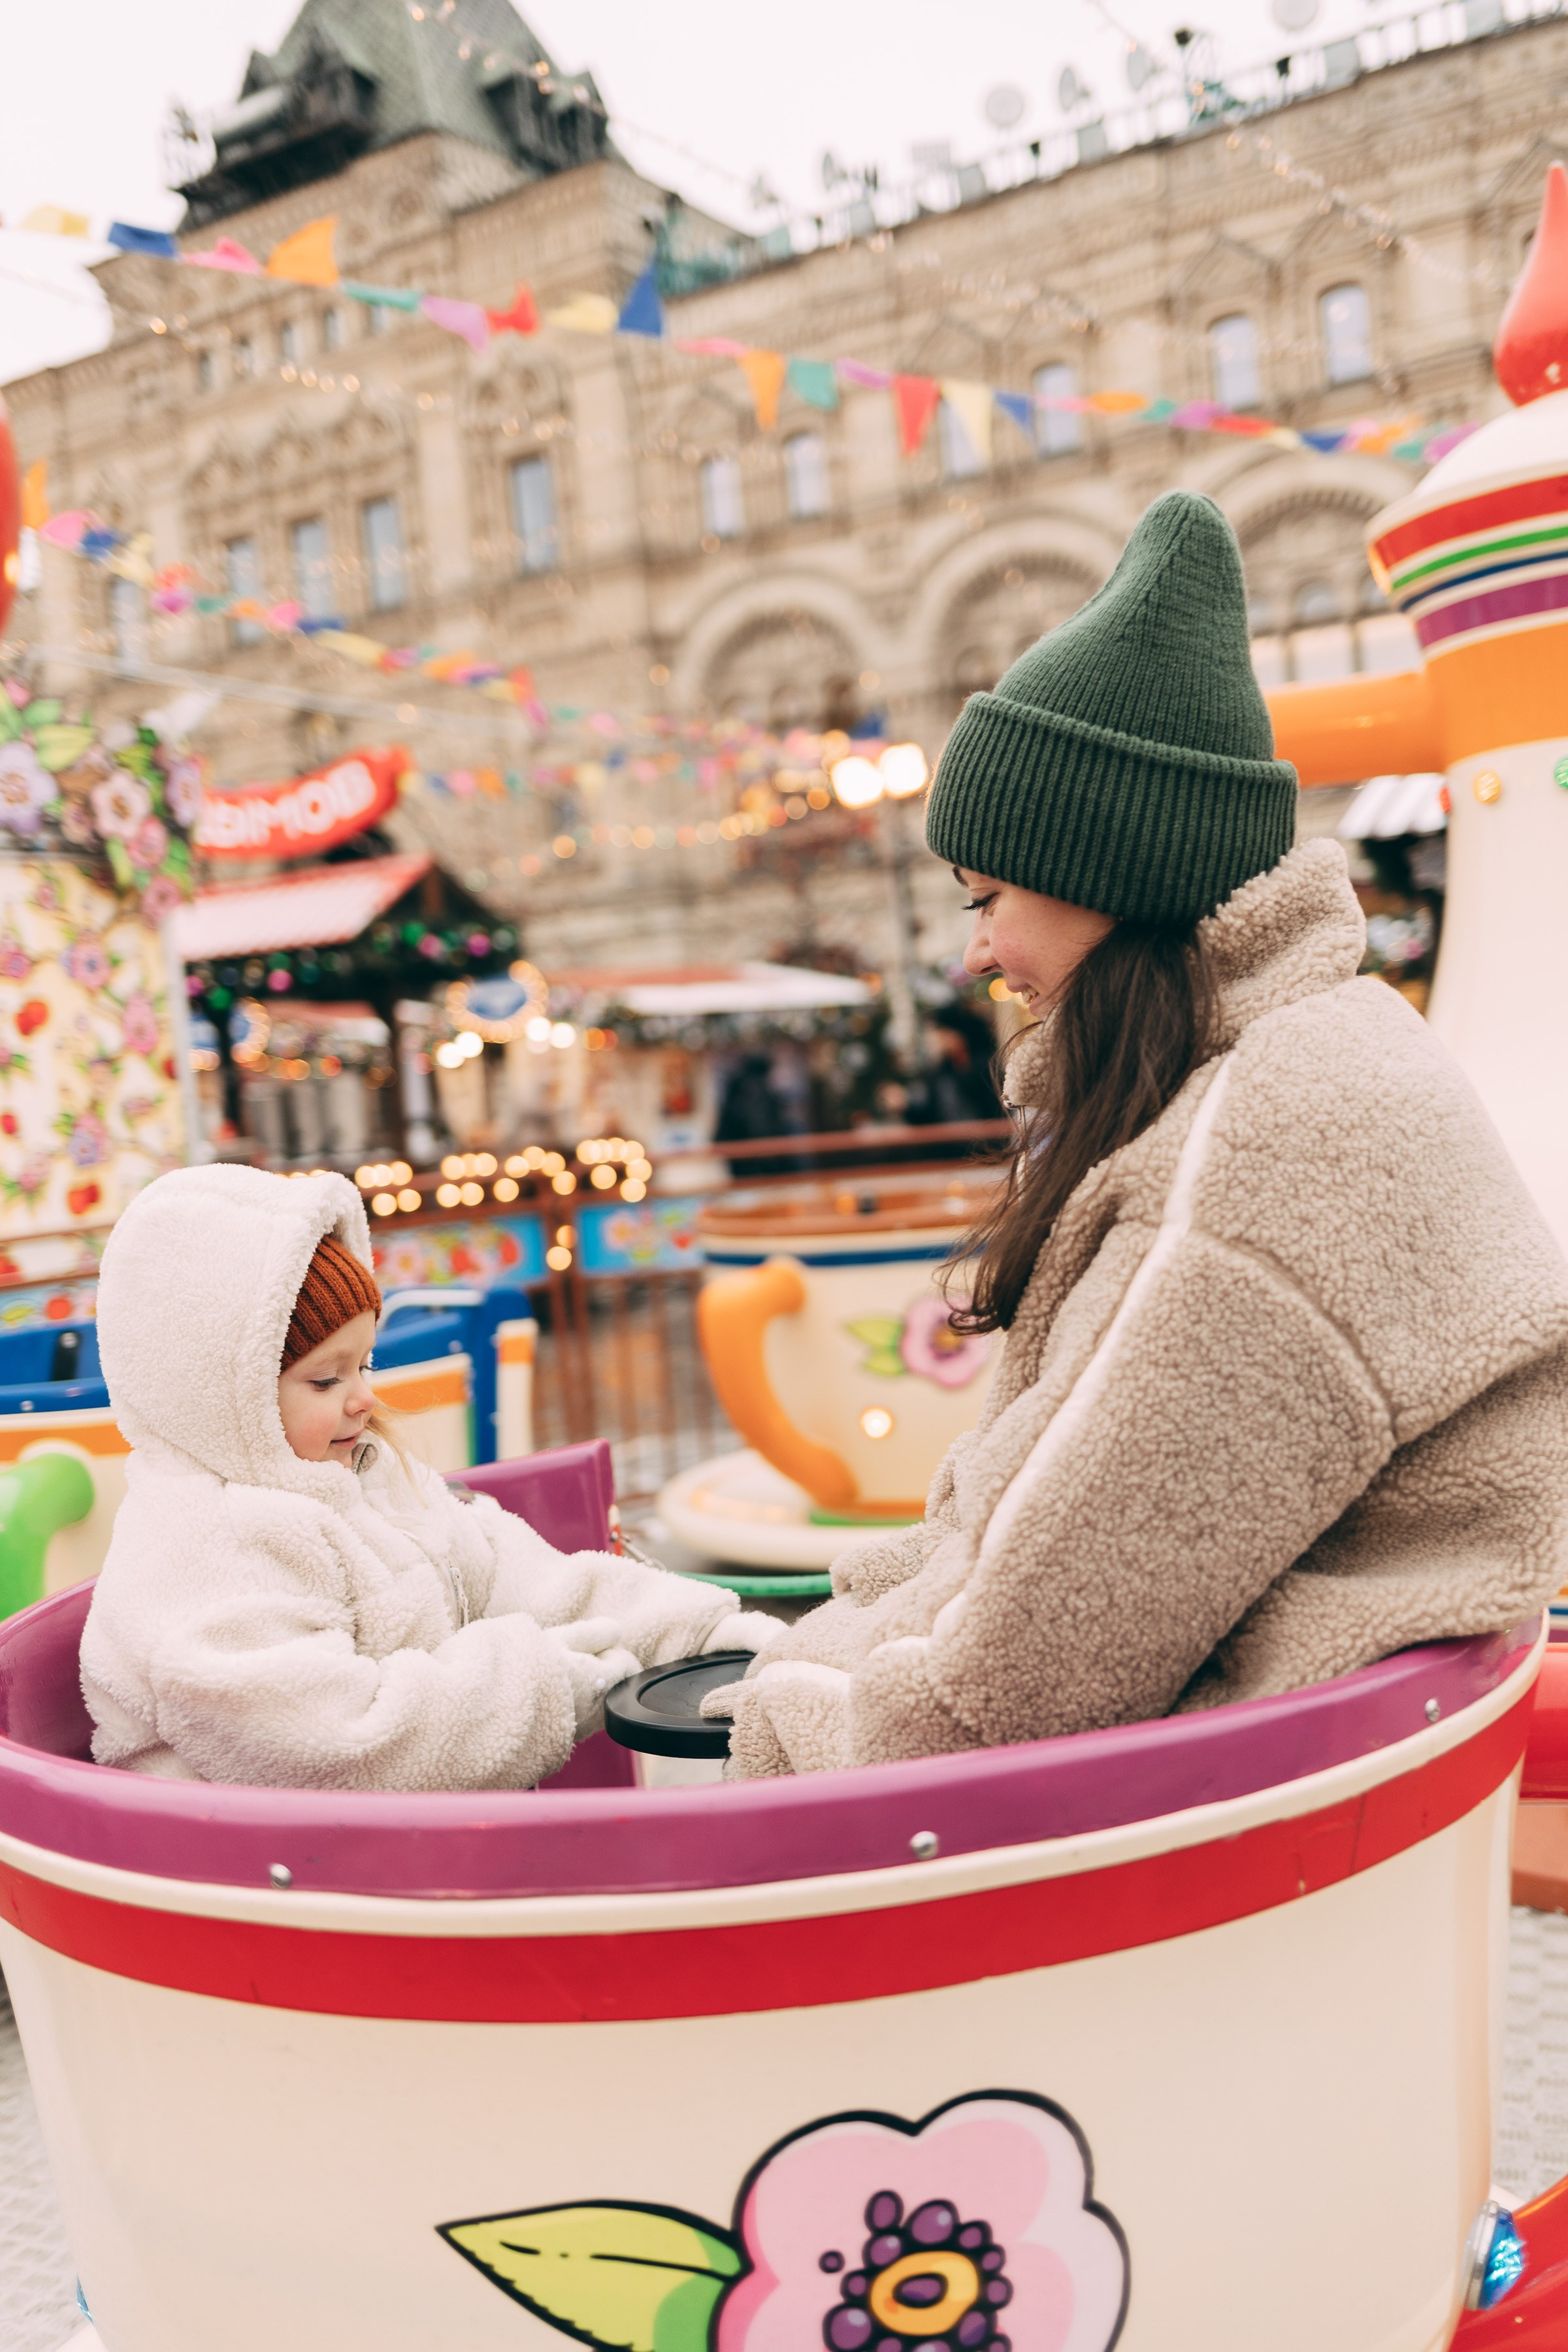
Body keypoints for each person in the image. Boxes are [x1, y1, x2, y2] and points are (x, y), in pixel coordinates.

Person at [708, 489, 1568, 1778]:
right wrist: (817, 1642)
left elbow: (1025, 1665)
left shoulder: (1265, 1154)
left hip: (1253, 1813)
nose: (979, 950)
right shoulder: (1286, 1059)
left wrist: (760, 1734)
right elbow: (1015, 1515)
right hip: (1311, 1765)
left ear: (1109, 875)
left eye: (991, 896)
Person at [81, 1165, 770, 1789]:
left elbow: (515, 1576)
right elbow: (334, 1745)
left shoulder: (361, 1478)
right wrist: (543, 1685)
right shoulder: (207, 1557)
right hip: (248, 1888)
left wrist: (696, 1632)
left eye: (365, 1366)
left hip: (396, 1856)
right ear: (221, 1397)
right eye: (326, 1379)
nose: (363, 1399)